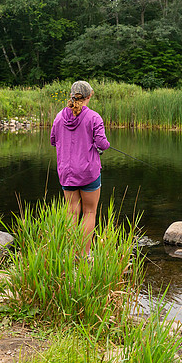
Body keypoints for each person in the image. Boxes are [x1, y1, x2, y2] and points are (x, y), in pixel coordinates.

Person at [50, 80, 110, 257]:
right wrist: (103, 145)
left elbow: (53, 141)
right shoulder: (94, 117)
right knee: (89, 212)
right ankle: (84, 255)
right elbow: (102, 144)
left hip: (66, 173)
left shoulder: (59, 116)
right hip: (88, 173)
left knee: (71, 212)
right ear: (89, 95)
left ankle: (70, 254)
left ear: (71, 95)